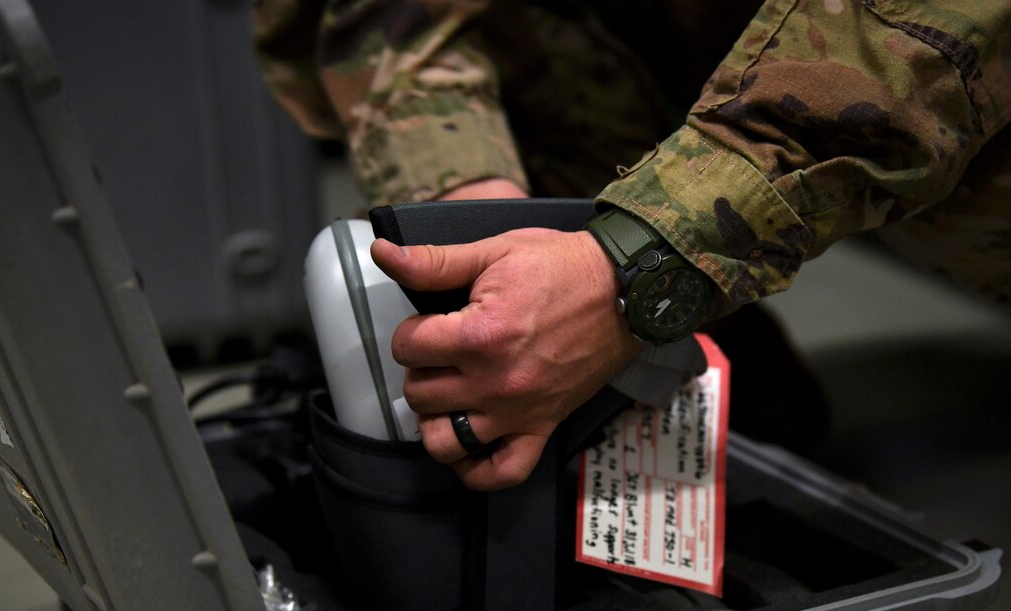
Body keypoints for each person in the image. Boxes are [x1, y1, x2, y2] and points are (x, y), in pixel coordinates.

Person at [253, 0, 1011, 490]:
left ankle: (646, 327)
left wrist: (633, 265)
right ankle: (676, 400)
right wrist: (482, 219)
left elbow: (917, 38)